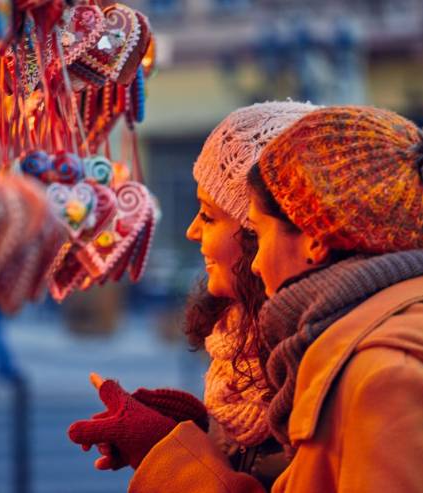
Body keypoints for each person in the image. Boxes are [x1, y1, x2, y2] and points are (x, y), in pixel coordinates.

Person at [69, 106, 423, 492]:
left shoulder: (389, 375)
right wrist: (188, 441)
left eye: (259, 230)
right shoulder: (369, 347)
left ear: (314, 240)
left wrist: (173, 464)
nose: (255, 262)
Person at [67, 101, 319, 483]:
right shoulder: (241, 341)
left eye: (208, 215)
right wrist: (188, 432)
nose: (192, 231)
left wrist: (164, 452)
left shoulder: (321, 364)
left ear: (261, 230)